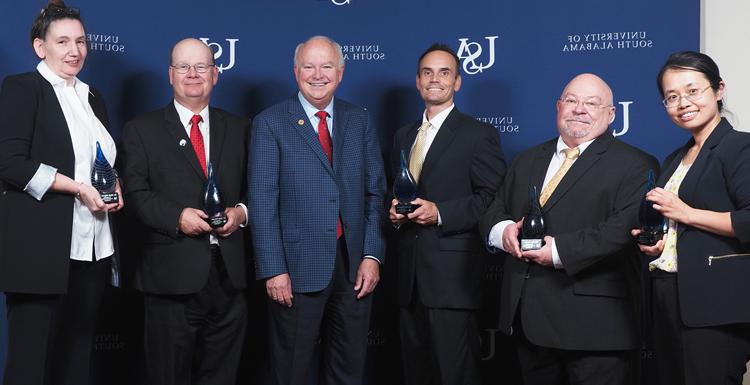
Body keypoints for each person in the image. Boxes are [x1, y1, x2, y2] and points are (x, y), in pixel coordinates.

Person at [479, 73, 658, 385]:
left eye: (592, 103)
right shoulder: (527, 159)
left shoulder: (637, 165)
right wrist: (504, 231)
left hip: (596, 329)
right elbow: (494, 207)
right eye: (572, 101)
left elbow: (620, 229)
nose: (580, 109)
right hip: (528, 322)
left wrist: (558, 252)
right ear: (558, 106)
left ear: (611, 114)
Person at [249, 35, 386, 385]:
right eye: (309, 66)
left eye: (327, 66)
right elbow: (262, 203)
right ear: (296, 72)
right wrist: (273, 269)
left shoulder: (360, 120)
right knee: (291, 371)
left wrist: (372, 255)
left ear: (340, 73)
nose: (317, 74)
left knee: (348, 371)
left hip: (354, 267)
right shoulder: (270, 122)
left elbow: (375, 194)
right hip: (294, 270)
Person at [0, 1, 123, 384]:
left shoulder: (92, 96)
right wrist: (76, 188)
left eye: (81, 41)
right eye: (63, 41)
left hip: (92, 247)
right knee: (31, 362)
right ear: (41, 47)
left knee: (77, 355)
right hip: (40, 249)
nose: (75, 51)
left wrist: (113, 184)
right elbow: (9, 162)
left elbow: (96, 160)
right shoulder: (23, 88)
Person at [119, 38, 249, 385]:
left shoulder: (241, 129)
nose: (193, 74)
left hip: (230, 278)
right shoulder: (140, 130)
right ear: (170, 74)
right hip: (169, 279)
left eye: (201, 67)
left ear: (216, 74)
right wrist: (177, 217)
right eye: (183, 67)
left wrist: (241, 213)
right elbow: (135, 193)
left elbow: (257, 191)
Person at [388, 43, 506, 385]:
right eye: (427, 72)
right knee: (416, 373)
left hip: (452, 281)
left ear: (457, 82)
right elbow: (395, 191)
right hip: (408, 280)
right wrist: (393, 211)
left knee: (456, 374)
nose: (434, 79)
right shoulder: (403, 136)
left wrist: (440, 212)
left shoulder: (478, 134)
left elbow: (493, 200)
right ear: (417, 81)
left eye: (444, 73)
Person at [632, 51, 750, 385]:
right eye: (672, 96)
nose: (683, 102)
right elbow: (677, 228)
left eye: (693, 90)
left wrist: (686, 213)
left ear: (718, 90)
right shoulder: (674, 158)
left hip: (716, 303)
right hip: (668, 294)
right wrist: (657, 242)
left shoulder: (739, 147)